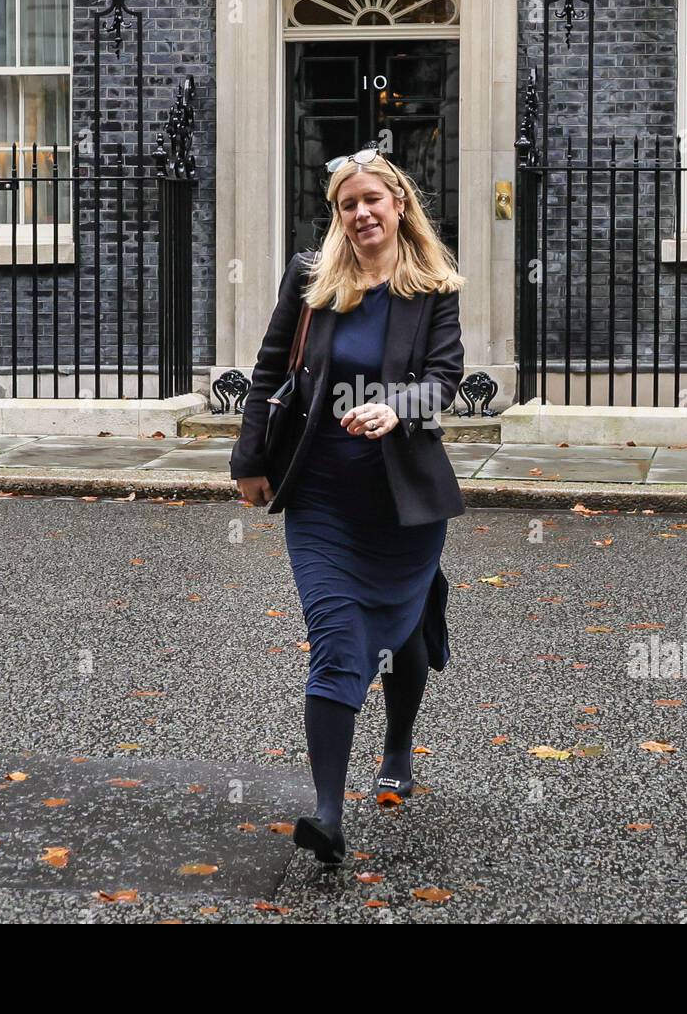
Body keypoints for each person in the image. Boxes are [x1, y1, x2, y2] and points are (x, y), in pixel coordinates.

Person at [230, 144, 467, 865]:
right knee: (337, 640)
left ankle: (397, 747)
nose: (361, 213)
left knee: (408, 634)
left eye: (372, 200)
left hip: (401, 498)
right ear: (337, 215)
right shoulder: (311, 277)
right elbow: (271, 366)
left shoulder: (432, 286)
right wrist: (248, 459)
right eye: (347, 204)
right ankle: (327, 815)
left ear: (399, 205)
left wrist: (397, 407)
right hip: (323, 495)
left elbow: (445, 378)